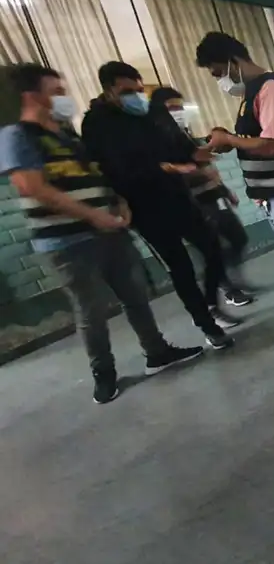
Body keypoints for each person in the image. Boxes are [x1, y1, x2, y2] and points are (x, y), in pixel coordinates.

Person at [0, 63, 204, 404]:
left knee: (136, 297)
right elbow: (32, 186)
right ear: (31, 96)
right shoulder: (17, 136)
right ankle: (103, 373)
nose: (65, 97)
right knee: (91, 310)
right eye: (57, 92)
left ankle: (156, 352)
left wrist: (118, 203)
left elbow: (97, 176)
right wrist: (92, 215)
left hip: (110, 231)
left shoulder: (67, 134)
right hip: (68, 243)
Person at [81, 61, 236, 350]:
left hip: (178, 198)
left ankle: (210, 303)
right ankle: (207, 324)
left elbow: (180, 145)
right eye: (128, 91)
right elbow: (110, 169)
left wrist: (204, 151)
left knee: (214, 247)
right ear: (110, 90)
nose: (136, 96)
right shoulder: (96, 124)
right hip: (144, 208)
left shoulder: (150, 112)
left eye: (139, 89)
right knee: (180, 267)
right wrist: (164, 169)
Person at [195, 32, 274, 281]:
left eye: (219, 72)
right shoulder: (251, 94)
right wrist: (228, 138)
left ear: (233, 60)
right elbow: (256, 140)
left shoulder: (271, 89)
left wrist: (231, 140)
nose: (221, 81)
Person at [149, 87, 254, 307]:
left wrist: (223, 189)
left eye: (180, 106)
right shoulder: (158, 139)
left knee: (238, 238)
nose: (178, 111)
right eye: (172, 108)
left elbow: (204, 164)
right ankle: (227, 290)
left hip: (212, 196)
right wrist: (187, 169)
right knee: (212, 249)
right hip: (194, 202)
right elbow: (167, 169)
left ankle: (233, 278)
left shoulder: (183, 132)